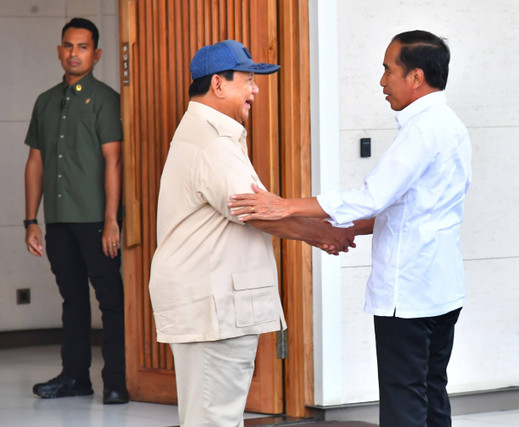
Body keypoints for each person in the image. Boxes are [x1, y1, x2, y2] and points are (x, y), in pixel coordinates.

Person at [228, 30, 472, 427]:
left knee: (404, 396)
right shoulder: (450, 125)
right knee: (430, 390)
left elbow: (372, 196)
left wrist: (284, 205)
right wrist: (341, 230)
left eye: (388, 70)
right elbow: (408, 208)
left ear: (416, 77)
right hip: (441, 287)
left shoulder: (423, 130)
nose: (382, 81)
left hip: (407, 290)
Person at [148, 40, 354, 426]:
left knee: (211, 415)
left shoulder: (206, 134)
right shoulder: (213, 142)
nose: (255, 90)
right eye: (248, 80)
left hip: (211, 302)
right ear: (218, 85)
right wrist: (323, 233)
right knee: (215, 418)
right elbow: (256, 212)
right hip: (213, 304)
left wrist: (322, 229)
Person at [23, 18, 128, 404]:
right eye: (68, 46)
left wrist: (111, 221)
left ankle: (116, 381)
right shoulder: (45, 102)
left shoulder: (105, 99)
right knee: (72, 300)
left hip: (97, 220)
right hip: (60, 220)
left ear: (96, 54)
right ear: (59, 51)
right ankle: (75, 378)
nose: (74, 53)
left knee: (111, 300)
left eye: (82, 47)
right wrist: (31, 220)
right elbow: (35, 162)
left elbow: (113, 162)